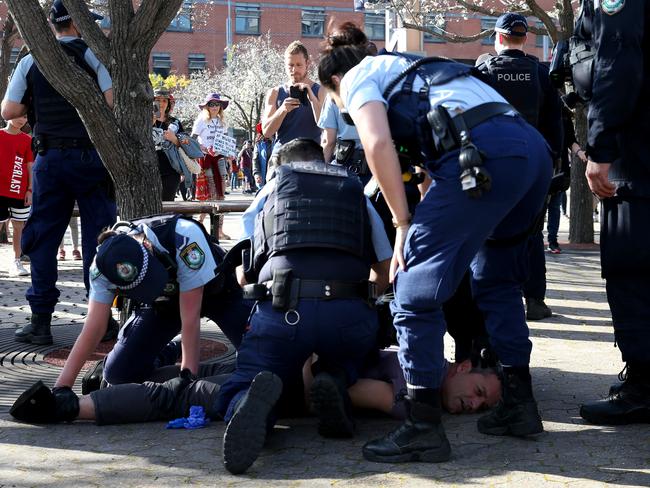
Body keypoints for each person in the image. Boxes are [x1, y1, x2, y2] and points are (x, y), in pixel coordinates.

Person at [317, 23, 552, 464]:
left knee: (411, 291)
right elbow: (434, 152)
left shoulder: (357, 76)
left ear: (334, 82)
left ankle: (423, 426)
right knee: (496, 279)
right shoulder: (416, 68)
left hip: (484, 156)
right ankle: (520, 405)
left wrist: (403, 222)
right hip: (530, 152)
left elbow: (376, 142)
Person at [215, 138, 392, 474]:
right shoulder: (355, 192)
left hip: (283, 310)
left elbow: (244, 273)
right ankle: (337, 380)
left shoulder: (270, 191)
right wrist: (360, 301)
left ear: (282, 165)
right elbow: (384, 270)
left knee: (250, 377)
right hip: (346, 313)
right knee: (352, 356)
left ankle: (251, 406)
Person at [1, 0, 117, 346]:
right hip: (91, 157)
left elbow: (9, 110)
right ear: (78, 25)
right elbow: (112, 100)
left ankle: (40, 322)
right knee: (100, 237)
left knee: (45, 238)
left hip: (49, 160)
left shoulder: (31, 59)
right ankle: (102, 321)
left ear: (52, 25)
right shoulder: (94, 54)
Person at [10, 349, 500, 427]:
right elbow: (343, 396)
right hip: (284, 384)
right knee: (187, 391)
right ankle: (72, 406)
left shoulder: (413, 375)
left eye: (481, 408)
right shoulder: (414, 387)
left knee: (192, 386)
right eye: (479, 390)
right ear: (462, 367)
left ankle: (79, 400)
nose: (473, 406)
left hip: (279, 366)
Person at [44, 214, 253, 393]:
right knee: (118, 375)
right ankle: (170, 350)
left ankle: (229, 364)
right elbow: (94, 328)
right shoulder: (101, 268)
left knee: (262, 357)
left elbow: (190, 319)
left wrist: (187, 377)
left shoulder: (185, 237)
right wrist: (62, 387)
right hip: (164, 304)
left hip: (217, 294)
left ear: (147, 248)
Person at [580, 0, 650, 425]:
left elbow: (618, 60)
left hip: (637, 159)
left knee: (631, 270)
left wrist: (600, 149)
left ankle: (643, 387)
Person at [476, 12, 563, 321]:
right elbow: (555, 123)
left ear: (497, 37)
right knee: (531, 234)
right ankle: (535, 300)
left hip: (493, 167)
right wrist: (555, 164)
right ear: (525, 38)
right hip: (534, 168)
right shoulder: (540, 74)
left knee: (487, 233)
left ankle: (488, 295)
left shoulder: (483, 71)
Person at [261, 41, 325, 163]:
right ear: (285, 65)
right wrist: (282, 110)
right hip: (282, 159)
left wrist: (312, 99)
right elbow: (267, 132)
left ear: (308, 63)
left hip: (311, 159)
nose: (294, 69)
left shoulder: (320, 91)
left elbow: (325, 125)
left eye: (299, 65)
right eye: (290, 65)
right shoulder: (274, 93)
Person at [191, 93, 230, 239]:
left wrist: (228, 157)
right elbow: (192, 139)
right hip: (206, 159)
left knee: (221, 195)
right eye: (211, 104)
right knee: (210, 194)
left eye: (217, 104)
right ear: (207, 106)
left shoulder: (222, 122)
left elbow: (225, 141)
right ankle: (200, 226)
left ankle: (219, 230)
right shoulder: (201, 120)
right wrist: (203, 148)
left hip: (220, 158)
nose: (214, 107)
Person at [0, 114, 33, 277]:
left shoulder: (27, 140)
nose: (22, 119)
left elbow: (29, 166)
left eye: (25, 116)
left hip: (20, 191)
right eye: (18, 115)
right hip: (0, 190)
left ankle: (16, 261)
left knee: (19, 226)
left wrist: (30, 189)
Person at [152, 89, 185, 202]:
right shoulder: (143, 120)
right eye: (157, 100)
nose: (161, 104)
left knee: (167, 203)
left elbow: (185, 144)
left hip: (170, 170)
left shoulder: (175, 122)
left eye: (164, 101)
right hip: (149, 169)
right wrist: (151, 121)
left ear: (168, 103)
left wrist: (174, 139)